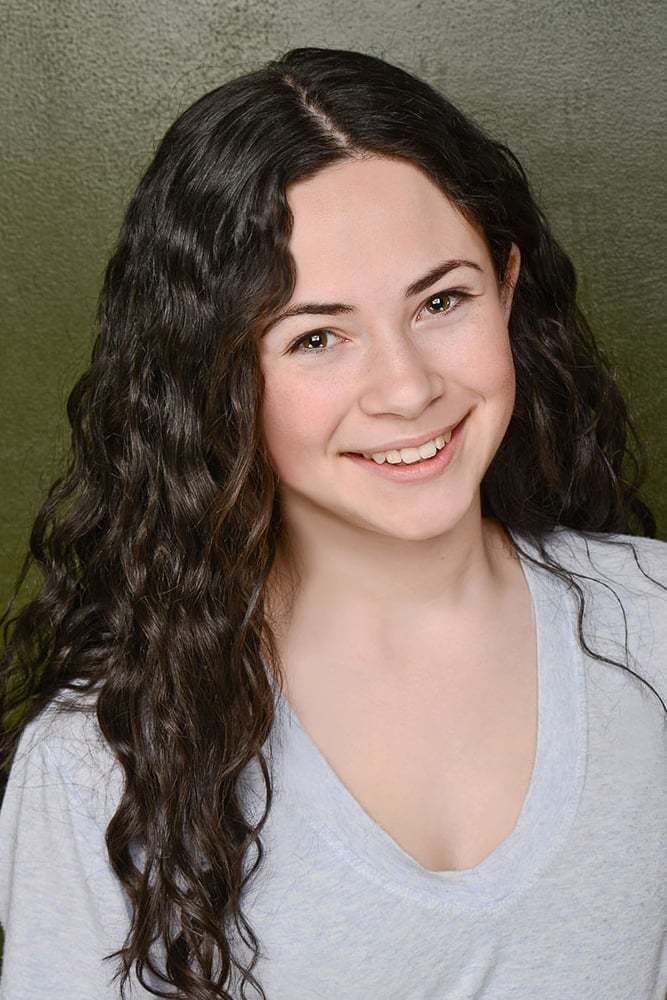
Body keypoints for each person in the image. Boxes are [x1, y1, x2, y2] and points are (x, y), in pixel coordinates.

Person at [0, 45, 665, 1000]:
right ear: (216, 377)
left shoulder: (655, 623)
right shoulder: (99, 761)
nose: (406, 389)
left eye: (441, 301)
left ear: (507, 289)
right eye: (316, 337)